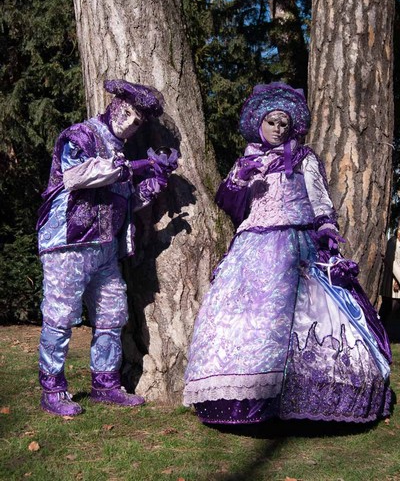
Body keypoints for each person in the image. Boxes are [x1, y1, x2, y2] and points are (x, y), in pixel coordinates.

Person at [183, 82, 392, 424]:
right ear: (259, 124)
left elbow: (319, 197)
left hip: (297, 242)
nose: (278, 129)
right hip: (251, 248)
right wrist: (239, 179)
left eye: (284, 124)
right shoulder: (246, 160)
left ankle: (304, 399)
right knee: (249, 319)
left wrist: (326, 227)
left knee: (304, 316)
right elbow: (232, 206)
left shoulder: (302, 158)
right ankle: (243, 398)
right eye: (272, 122)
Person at [37, 79, 178, 416]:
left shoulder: (120, 153)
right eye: (127, 112)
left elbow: (124, 203)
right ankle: (52, 388)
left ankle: (105, 383)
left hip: (105, 248)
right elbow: (78, 175)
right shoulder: (80, 135)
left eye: (138, 120)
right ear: (114, 104)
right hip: (67, 244)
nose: (130, 122)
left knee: (112, 315)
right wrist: (137, 167)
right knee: (61, 316)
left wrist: (152, 184)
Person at [380, 227, 400, 339]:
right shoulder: (392, 242)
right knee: (387, 309)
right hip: (391, 283)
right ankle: (381, 333)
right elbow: (392, 262)